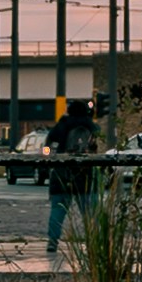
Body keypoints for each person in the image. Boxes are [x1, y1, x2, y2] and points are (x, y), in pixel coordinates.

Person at [41, 89, 97, 258]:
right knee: (89, 212)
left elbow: (49, 142)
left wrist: (50, 157)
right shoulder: (90, 125)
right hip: (85, 174)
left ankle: (52, 241)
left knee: (57, 210)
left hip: (61, 174)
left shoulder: (62, 124)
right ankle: (93, 241)